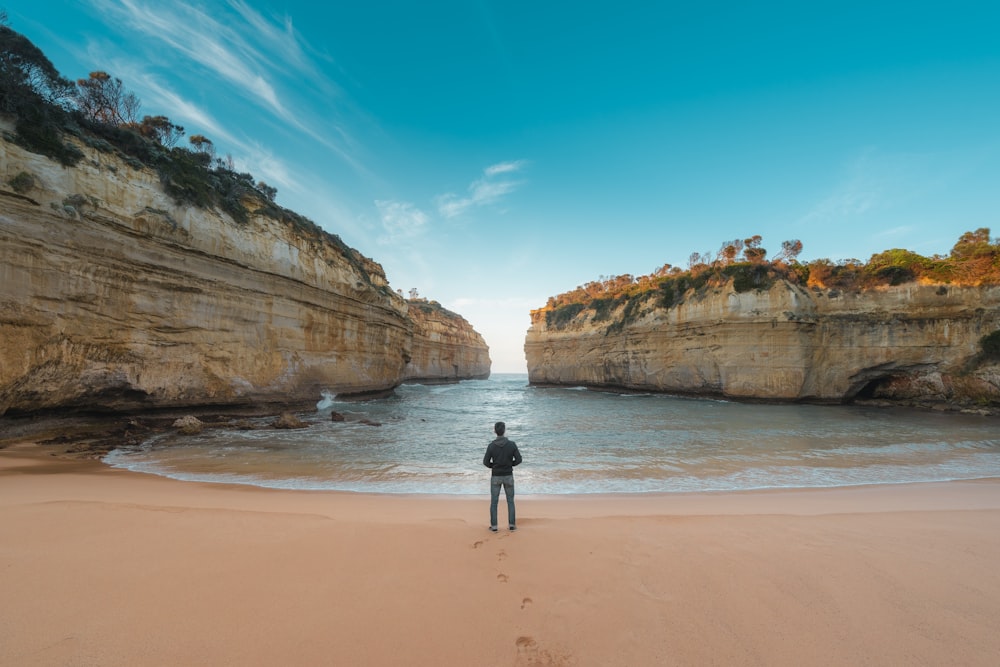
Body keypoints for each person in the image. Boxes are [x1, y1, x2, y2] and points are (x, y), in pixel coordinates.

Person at [483, 421, 522, 532]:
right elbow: (519, 460)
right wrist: (510, 464)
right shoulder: (512, 444)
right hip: (508, 475)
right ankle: (512, 525)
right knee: (510, 501)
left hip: (496, 476)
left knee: (494, 502)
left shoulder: (491, 446)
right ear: (504, 430)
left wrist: (494, 466)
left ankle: (494, 526)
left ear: (495, 431)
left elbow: (485, 462)